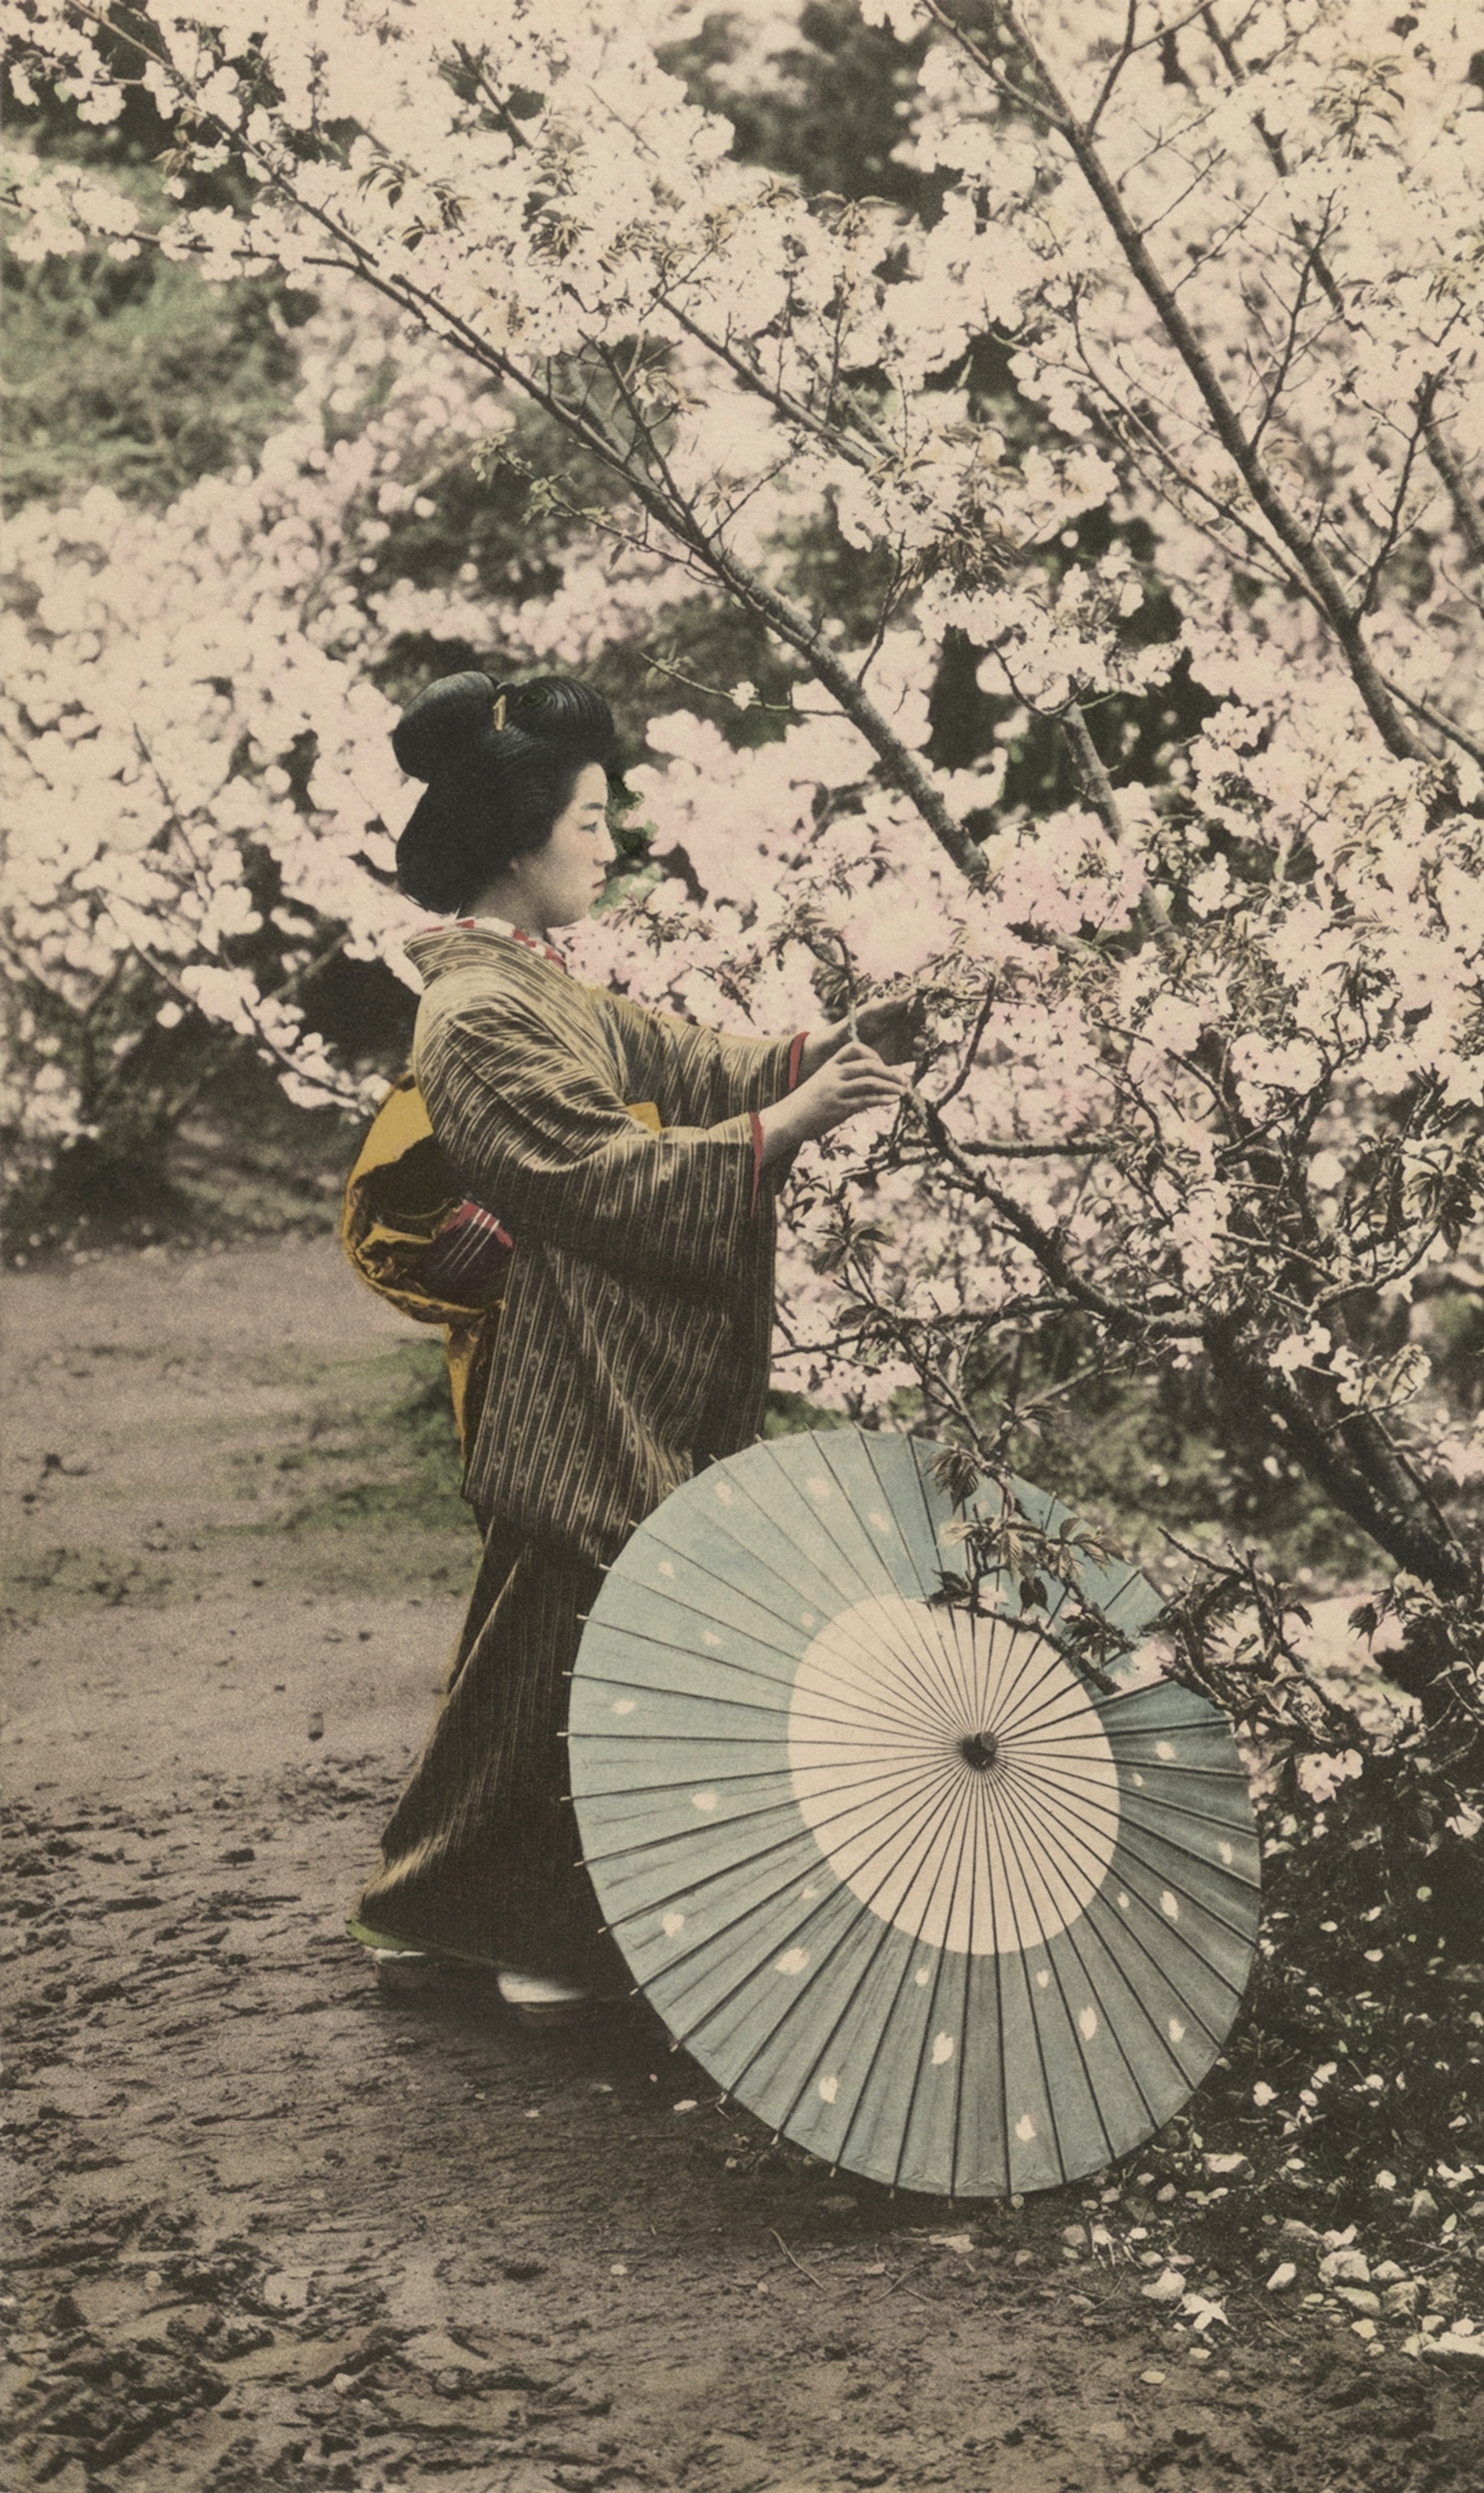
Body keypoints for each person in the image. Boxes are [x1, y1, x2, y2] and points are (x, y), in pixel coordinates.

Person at [344, 670, 917, 2014]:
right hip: (581, 1367)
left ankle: (436, 1898)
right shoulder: (477, 1010)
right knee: (597, 1616)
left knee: (539, 1622)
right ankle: (548, 1940)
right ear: (516, 841)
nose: (610, 844)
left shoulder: (526, 986)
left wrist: (819, 1054)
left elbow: (683, 1061)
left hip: (593, 1355)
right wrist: (798, 1123)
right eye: (591, 820)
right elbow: (593, 1177)